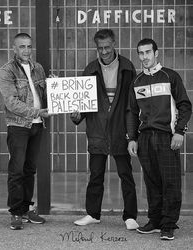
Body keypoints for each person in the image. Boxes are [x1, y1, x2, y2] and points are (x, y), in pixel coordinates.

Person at [70, 29, 139, 230]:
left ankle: (130, 216)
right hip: (98, 131)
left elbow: (132, 104)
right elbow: (82, 104)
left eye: (107, 47)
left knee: (126, 175)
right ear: (96, 47)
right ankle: (93, 214)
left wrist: (132, 133)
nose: (104, 52)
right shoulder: (90, 69)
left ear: (114, 43)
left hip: (120, 131)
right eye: (100, 48)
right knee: (96, 175)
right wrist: (77, 116)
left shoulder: (127, 68)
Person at [127, 38, 192, 240]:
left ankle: (168, 224)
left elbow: (185, 106)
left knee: (170, 182)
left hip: (167, 137)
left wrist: (180, 132)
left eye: (148, 52)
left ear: (156, 53)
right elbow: (131, 112)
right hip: (145, 138)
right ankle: (155, 221)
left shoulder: (170, 76)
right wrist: (132, 138)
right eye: (141, 53)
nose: (144, 57)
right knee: (152, 182)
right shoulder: (137, 82)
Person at [0, 33, 50, 230]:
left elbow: (44, 94)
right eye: (22, 47)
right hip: (18, 125)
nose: (26, 50)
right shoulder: (7, 70)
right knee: (17, 170)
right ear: (14, 48)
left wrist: (53, 86)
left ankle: (27, 208)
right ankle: (16, 212)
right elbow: (11, 102)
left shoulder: (38, 69)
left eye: (29, 46)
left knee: (29, 169)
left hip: (37, 125)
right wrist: (36, 112)